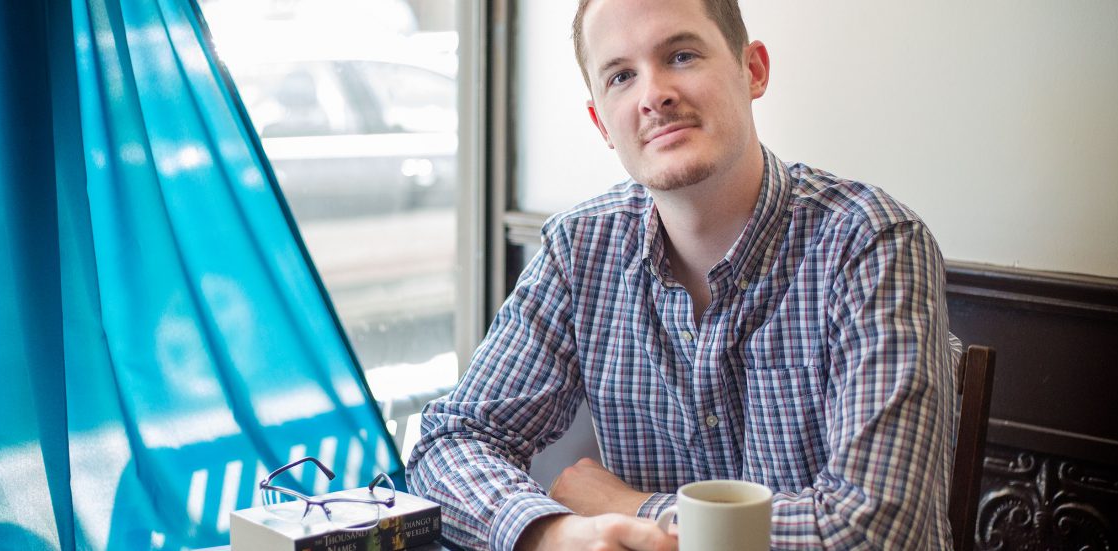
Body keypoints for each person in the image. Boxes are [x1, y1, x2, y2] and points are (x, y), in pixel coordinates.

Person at [405, 0, 957, 549]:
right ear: (601, 121)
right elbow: (450, 442)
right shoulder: (580, 248)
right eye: (621, 76)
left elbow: (878, 532)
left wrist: (630, 509)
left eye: (682, 55)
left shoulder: (870, 243)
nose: (654, 95)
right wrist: (551, 532)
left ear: (753, 70)